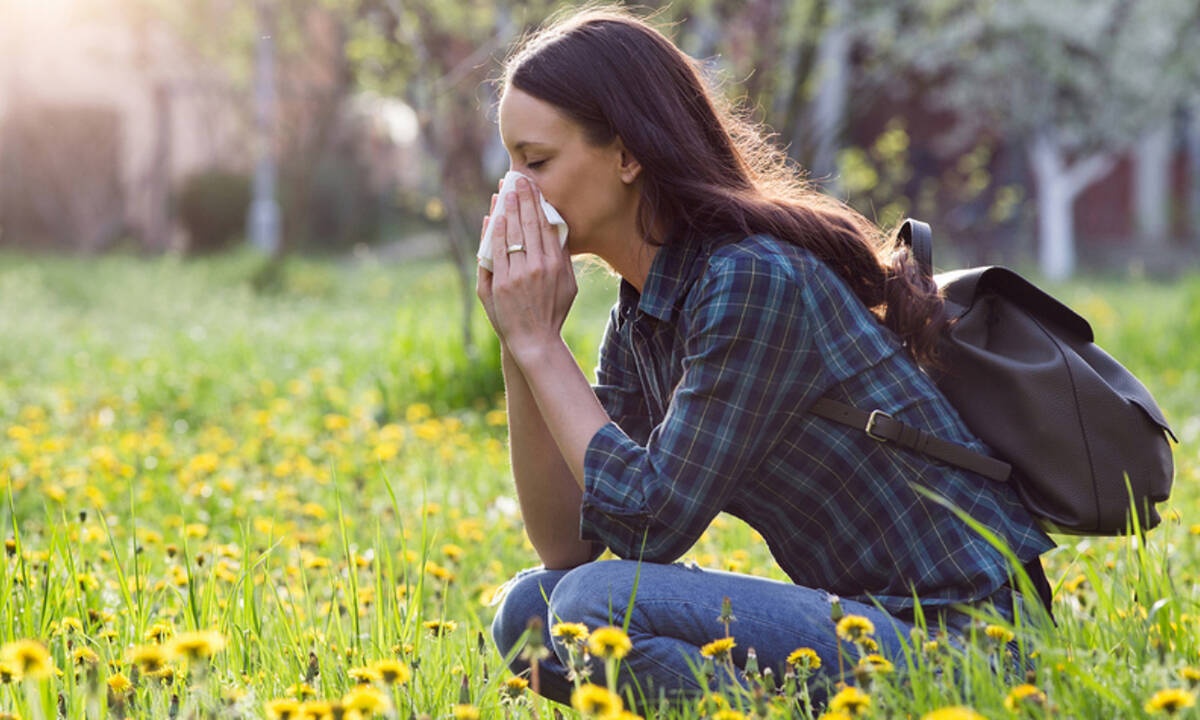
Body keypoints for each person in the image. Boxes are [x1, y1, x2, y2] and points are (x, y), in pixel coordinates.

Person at [476, 5, 1055, 709]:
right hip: (870, 626)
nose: (514, 192)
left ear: (627, 156)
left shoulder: (749, 279)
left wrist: (541, 345)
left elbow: (650, 526)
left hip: (971, 644)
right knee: (529, 614)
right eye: (510, 164)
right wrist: (520, 343)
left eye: (536, 162)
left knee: (596, 607)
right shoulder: (645, 311)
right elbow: (568, 544)